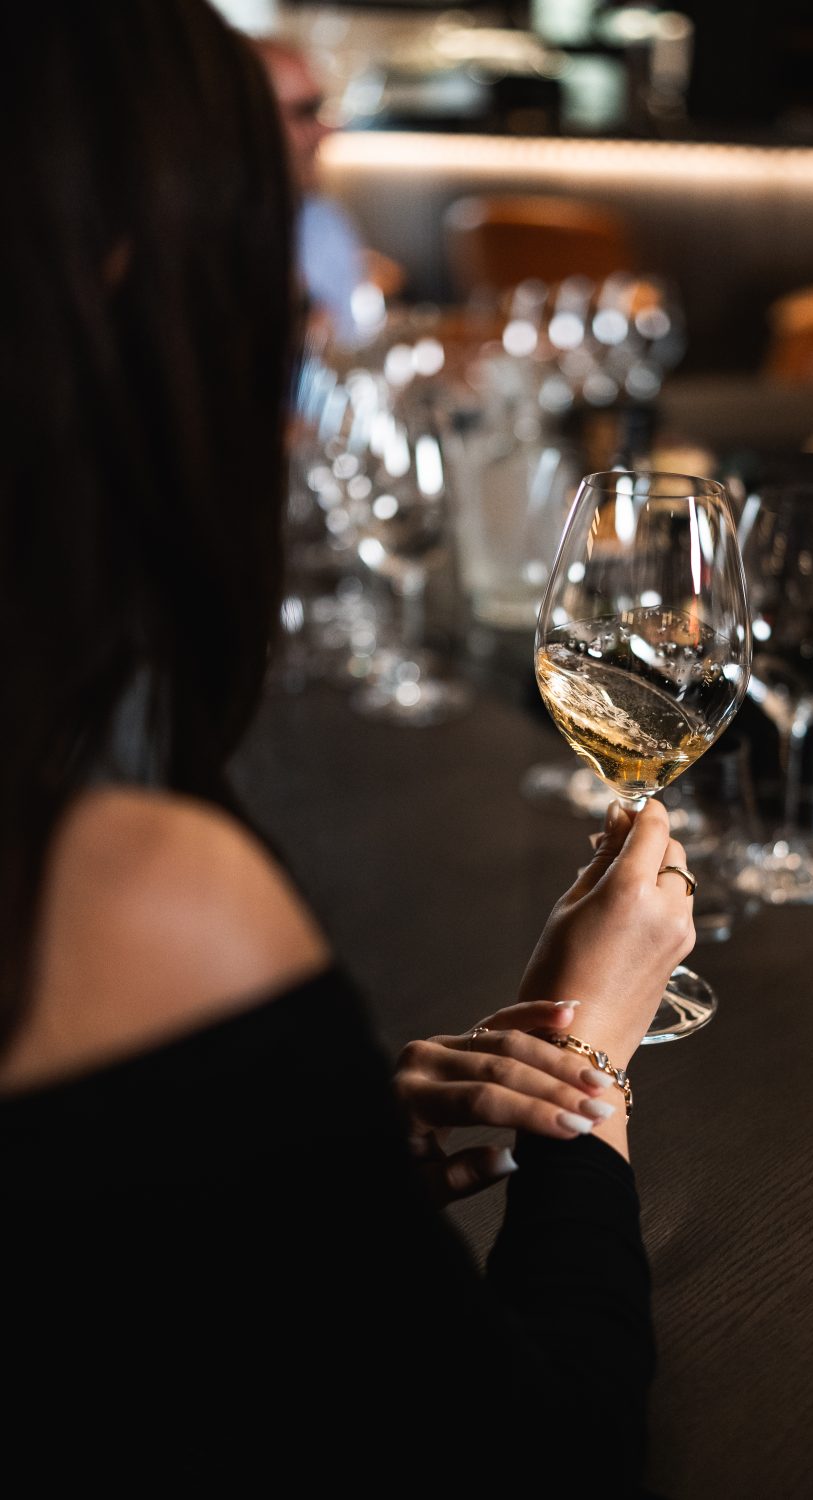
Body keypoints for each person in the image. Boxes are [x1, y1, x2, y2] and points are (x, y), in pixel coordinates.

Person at [0, 3, 695, 1489]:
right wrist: (587, 1055)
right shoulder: (129, 893)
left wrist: (282, 1151)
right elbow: (546, 1460)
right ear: (129, 280)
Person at [255, 35, 404, 344]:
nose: (328, 130)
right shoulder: (198, 247)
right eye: (305, 111)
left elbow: (349, 346)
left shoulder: (323, 221)